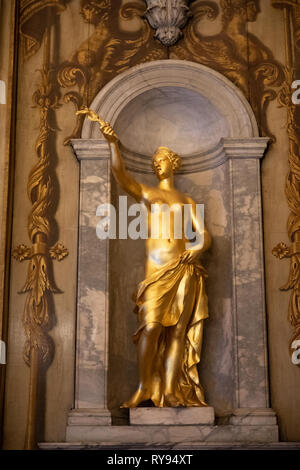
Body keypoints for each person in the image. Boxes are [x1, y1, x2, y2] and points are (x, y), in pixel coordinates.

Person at [78, 108, 211, 407]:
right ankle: (143, 387)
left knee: (177, 332)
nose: (157, 164)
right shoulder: (149, 194)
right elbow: (121, 175)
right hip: (156, 271)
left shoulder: (187, 201)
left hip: (184, 268)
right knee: (150, 328)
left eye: (162, 159)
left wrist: (198, 248)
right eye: (154, 161)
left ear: (173, 164)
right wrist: (112, 144)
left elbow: (204, 235)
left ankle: (172, 391)